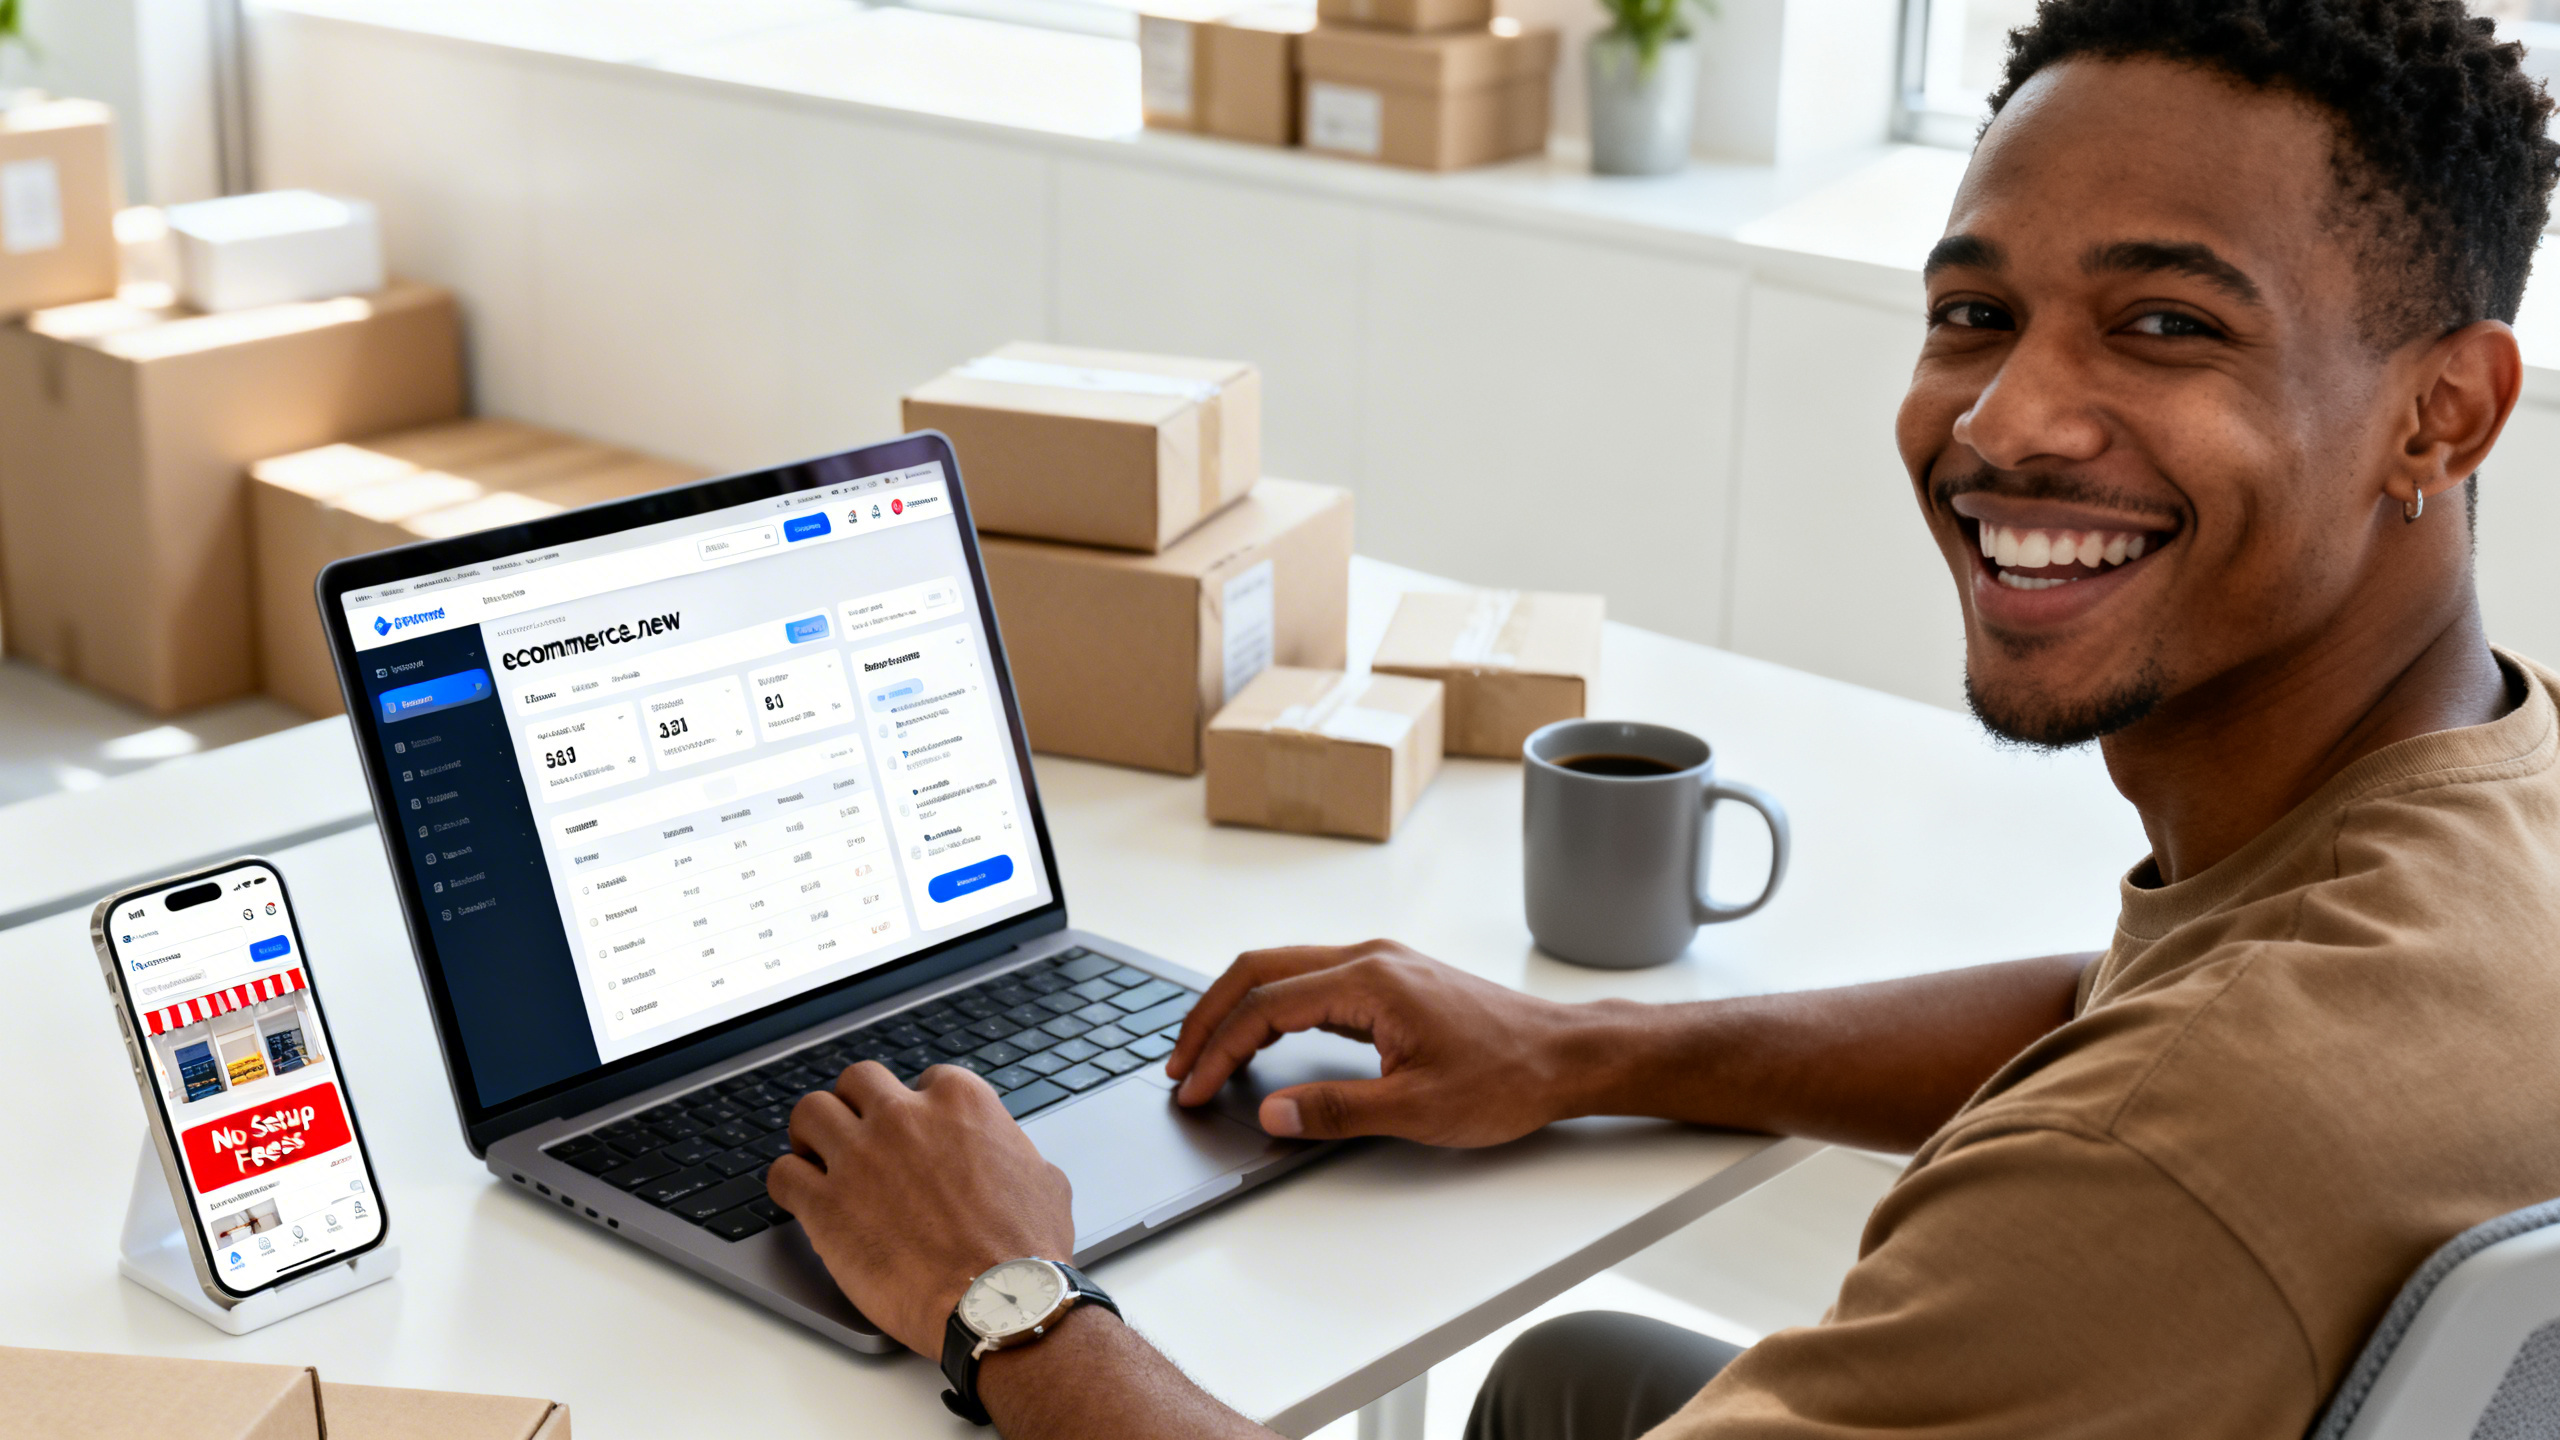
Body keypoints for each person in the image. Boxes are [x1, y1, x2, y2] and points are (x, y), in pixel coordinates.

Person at [764, 0, 2560, 1433]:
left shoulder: (2161, 1163)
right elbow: (2132, 1006)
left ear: (2446, 414)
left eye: (2166, 325)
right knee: (1577, 1372)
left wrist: (1003, 1295)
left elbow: (2153, 1100)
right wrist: (1584, 1052)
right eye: (1974, 311)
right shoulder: (2483, 807)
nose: (2007, 419)